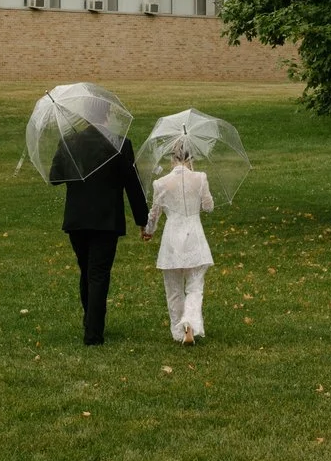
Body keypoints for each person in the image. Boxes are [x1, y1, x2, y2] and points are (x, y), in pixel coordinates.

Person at [61, 132, 148, 346]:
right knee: (97, 273)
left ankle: (90, 322)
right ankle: (93, 332)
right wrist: (143, 219)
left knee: (87, 270)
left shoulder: (71, 141)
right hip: (106, 219)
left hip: (78, 218)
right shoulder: (119, 144)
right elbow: (132, 182)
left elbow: (55, 176)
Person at [144, 140, 216, 344]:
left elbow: (155, 214)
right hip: (195, 237)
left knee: (173, 289)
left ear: (172, 159)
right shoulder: (200, 178)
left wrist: (149, 231)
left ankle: (179, 331)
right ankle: (190, 322)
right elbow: (208, 206)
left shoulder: (161, 183)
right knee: (195, 286)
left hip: (172, 240)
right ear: (191, 158)